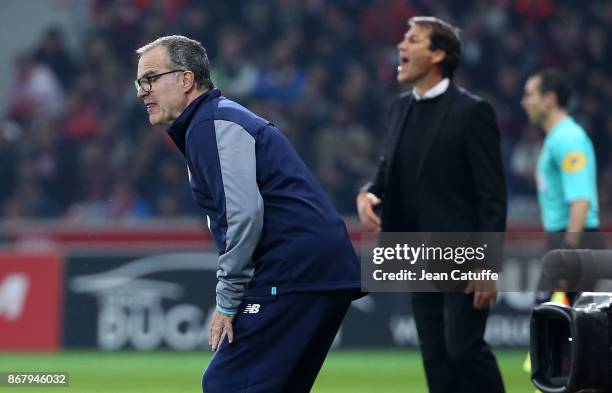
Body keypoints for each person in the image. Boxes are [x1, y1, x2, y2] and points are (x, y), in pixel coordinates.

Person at [135, 35, 362, 393]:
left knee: (227, 384)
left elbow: (243, 215)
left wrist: (228, 299)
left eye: (150, 78)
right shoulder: (216, 121)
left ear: (186, 79)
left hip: (292, 271)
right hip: (319, 270)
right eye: (140, 82)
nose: (141, 91)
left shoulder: (211, 125)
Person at [356, 17, 506, 393]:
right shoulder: (399, 108)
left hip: (463, 253)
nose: (401, 46)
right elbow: (387, 172)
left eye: (413, 40)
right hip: (415, 250)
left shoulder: (472, 112)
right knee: (435, 358)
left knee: (463, 349)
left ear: (438, 54)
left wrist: (487, 264)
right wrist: (368, 193)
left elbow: (492, 195)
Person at [521, 69, 602, 303]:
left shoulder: (568, 139)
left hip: (574, 242)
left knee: (554, 327)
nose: (524, 102)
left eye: (529, 95)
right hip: (569, 242)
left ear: (549, 99)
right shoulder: (558, 137)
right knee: (560, 329)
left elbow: (580, 200)